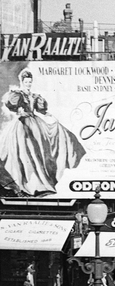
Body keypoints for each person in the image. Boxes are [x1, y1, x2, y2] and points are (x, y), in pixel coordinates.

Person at [0, 67, 86, 195]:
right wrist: (19, 111)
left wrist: (52, 118)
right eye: (26, 81)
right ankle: (23, 183)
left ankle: (38, 182)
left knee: (39, 151)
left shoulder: (35, 96)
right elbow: (10, 105)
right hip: (22, 126)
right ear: (22, 81)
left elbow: (42, 111)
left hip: (35, 124)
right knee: (24, 153)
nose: (28, 84)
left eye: (30, 81)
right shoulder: (17, 95)